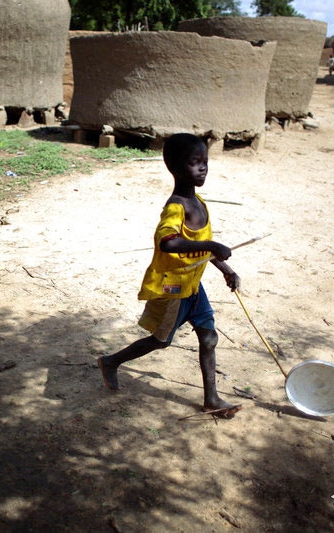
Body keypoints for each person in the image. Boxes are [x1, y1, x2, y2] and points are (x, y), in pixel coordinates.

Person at [96, 133, 242, 418]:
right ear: (174, 167)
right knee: (161, 341)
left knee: (209, 338)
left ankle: (211, 399)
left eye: (205, 162)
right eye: (194, 162)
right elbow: (168, 242)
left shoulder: (199, 202)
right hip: (172, 289)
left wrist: (226, 270)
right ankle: (111, 361)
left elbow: (199, 251)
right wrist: (212, 245)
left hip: (193, 287)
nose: (202, 168)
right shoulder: (175, 207)